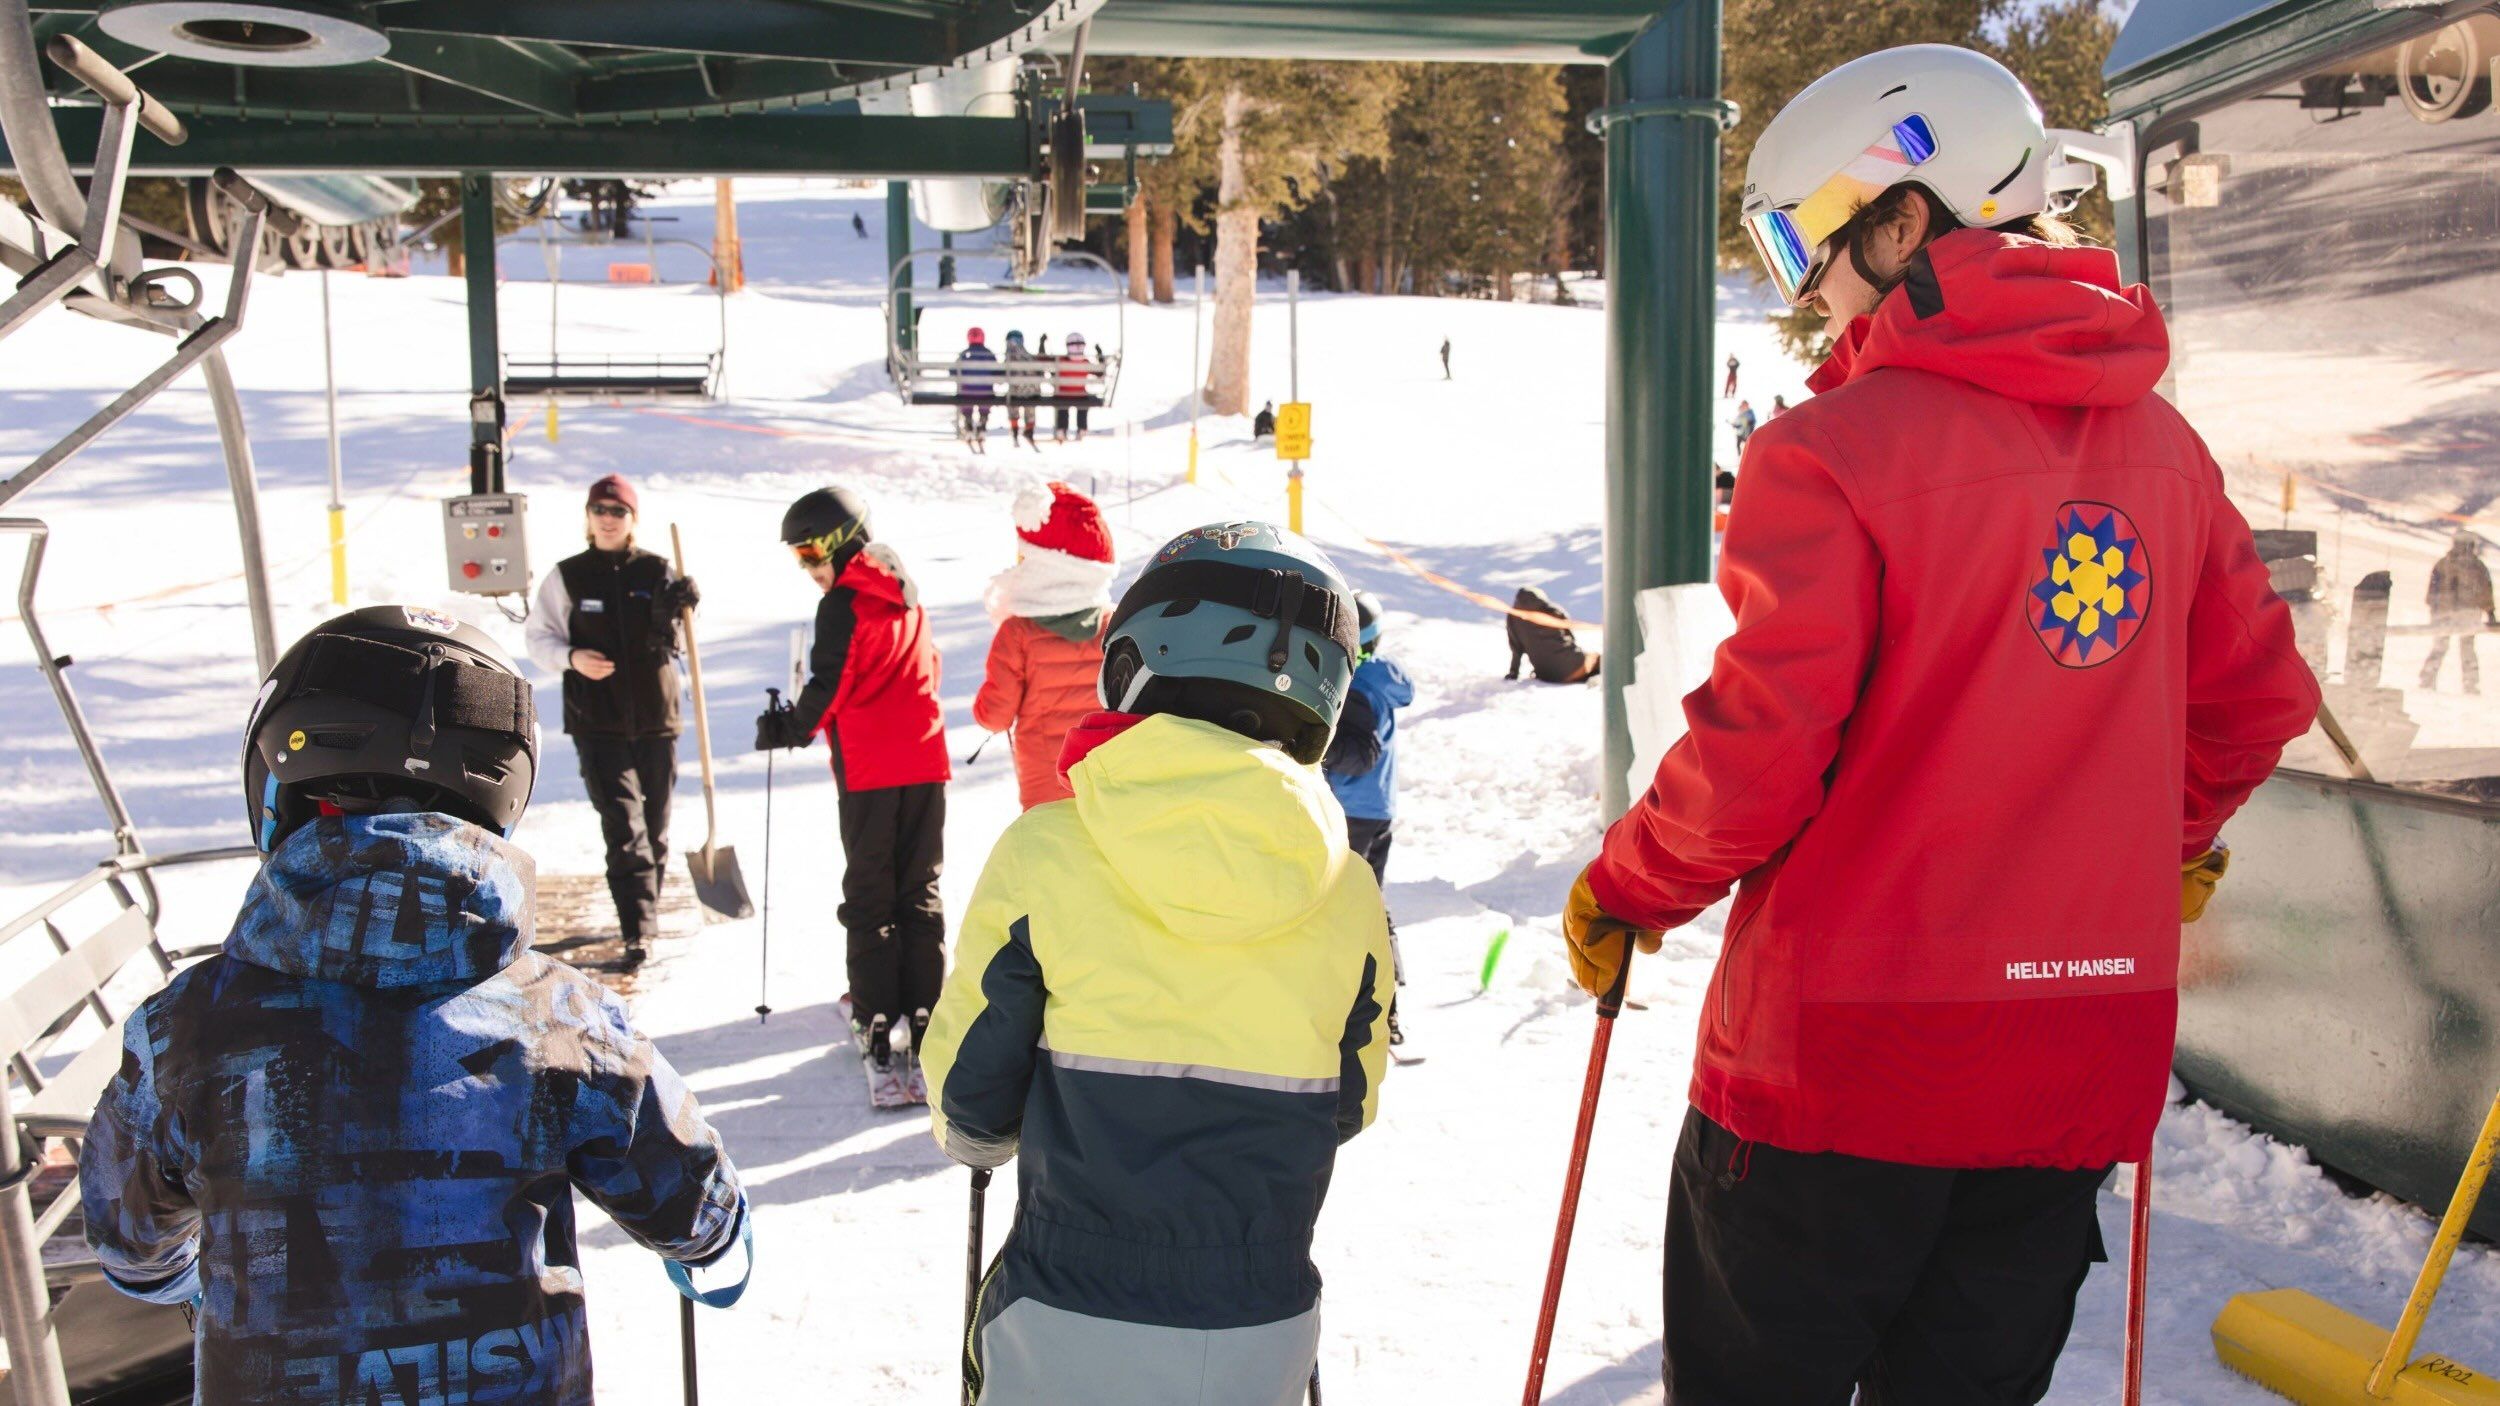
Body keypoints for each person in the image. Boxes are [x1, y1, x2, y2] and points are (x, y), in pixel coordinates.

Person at [1568, 45, 2321, 1403]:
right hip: (2067, 1058)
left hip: (1841, 1065)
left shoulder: (1835, 452)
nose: (1805, 292)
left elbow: (1757, 756)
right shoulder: (2165, 444)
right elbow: (2256, 700)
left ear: (1908, 217)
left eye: (1811, 239)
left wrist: (1633, 880)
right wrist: (2155, 839)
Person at [83, 606, 750, 1406]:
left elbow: (132, 1250)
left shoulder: (184, 1031)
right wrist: (707, 1257)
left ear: (280, 789)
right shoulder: (564, 1018)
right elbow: (707, 1220)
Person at [921, 520, 1393, 1406]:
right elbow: (1350, 1105)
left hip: (1066, 1310)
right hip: (1264, 1322)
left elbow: (969, 1110)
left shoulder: (1049, 851)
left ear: (1137, 659)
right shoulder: (1347, 890)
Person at [754, 487, 951, 1077]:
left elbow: (829, 685)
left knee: (871, 895)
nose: (810, 568)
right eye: (799, 558)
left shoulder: (843, 602)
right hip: (925, 762)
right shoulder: (904, 591)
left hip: (871, 771)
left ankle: (874, 1018)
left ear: (843, 541)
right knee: (918, 889)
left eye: (812, 552)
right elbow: (930, 666)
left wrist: (789, 727)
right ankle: (923, 1014)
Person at [525, 473, 697, 968]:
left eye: (618, 511)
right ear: (587, 516)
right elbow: (540, 638)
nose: (607, 518)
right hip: (596, 721)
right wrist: (573, 657)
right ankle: (637, 928)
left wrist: (682, 607)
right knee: (625, 827)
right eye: (599, 509)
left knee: (656, 826)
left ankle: (646, 909)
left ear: (632, 519)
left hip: (657, 718)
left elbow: (678, 642)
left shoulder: (658, 571)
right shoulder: (568, 576)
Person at [974, 480, 1117, 808]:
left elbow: (995, 715)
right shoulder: (1116, 625)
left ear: (1041, 565)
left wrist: (982, 709)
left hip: (1046, 785)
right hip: (1108, 781)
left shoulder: (1017, 633)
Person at [1324, 589, 1415, 1045]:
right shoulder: (1381, 679)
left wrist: (1318, 745)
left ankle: (1377, 1011)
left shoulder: (1356, 684)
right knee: (1370, 904)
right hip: (1375, 811)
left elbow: (1361, 755)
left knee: (1348, 911)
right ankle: (1386, 1008)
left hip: (1352, 812)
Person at [2420, 529, 2494, 694]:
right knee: (2460, 648)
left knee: (2446, 647)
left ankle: (2430, 679)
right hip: (2461, 613)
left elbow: (2432, 592)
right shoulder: (2475, 567)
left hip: (2453, 613)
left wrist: (2435, 610)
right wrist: (2489, 611)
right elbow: (2486, 592)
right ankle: (2468, 684)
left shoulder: (2447, 564)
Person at [1506, 585, 1599, 684]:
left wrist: (1513, 672)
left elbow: (1516, 649)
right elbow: (1570, 635)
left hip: (1547, 674)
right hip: (1574, 666)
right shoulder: (1552, 610)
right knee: (1600, 659)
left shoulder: (1513, 617)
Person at [955, 327, 998, 451]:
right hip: (986, 393)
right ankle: (982, 424)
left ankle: (968, 424)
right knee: (985, 397)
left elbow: (953, 371)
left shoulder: (964, 355)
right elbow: (997, 372)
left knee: (966, 395)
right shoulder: (988, 354)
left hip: (966, 393)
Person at [1002, 329, 1044, 449]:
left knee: (1012, 396)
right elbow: (1039, 371)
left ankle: (1015, 429)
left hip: (1015, 393)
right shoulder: (1028, 355)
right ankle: (1029, 429)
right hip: (1032, 393)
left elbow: (1003, 376)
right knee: (1029, 396)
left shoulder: (1009, 356)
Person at [1051, 332, 1094, 443]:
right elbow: (1100, 373)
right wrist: (1100, 354)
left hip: (1062, 395)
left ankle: (1062, 428)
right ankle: (1082, 428)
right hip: (1080, 395)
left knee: (1061, 400)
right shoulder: (1085, 362)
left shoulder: (1060, 361)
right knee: (1083, 401)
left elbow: (1045, 365)